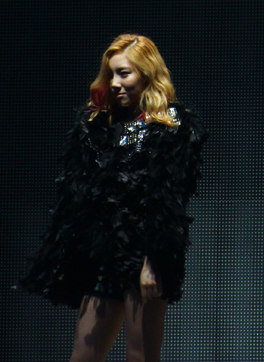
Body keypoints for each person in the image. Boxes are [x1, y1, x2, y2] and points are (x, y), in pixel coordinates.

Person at [16, 34, 207, 362]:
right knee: (83, 355)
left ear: (146, 74)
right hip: (105, 254)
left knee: (141, 356)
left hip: (146, 254)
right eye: (111, 74)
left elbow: (169, 200)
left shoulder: (171, 126)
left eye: (124, 73)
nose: (115, 83)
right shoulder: (99, 124)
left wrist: (153, 262)